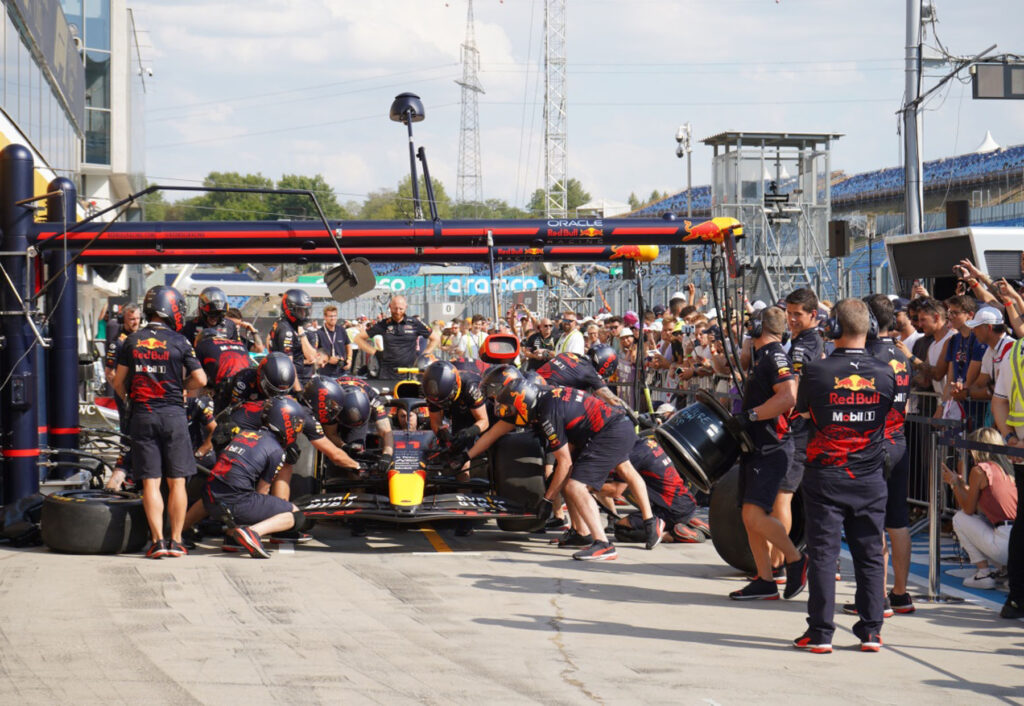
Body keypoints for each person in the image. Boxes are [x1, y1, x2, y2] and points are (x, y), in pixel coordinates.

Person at [792, 298, 895, 654]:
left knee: (823, 553)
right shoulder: (886, 373)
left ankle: (821, 634)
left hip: (826, 474)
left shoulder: (816, 371)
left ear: (833, 327)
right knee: (869, 553)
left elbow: (802, 413)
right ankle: (871, 631)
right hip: (869, 476)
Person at [460, 379, 662, 559]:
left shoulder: (547, 412)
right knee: (591, 476)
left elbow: (565, 463)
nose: (509, 415)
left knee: (575, 485)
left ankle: (603, 544)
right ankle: (590, 532)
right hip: (614, 425)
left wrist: (548, 499)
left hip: (610, 431)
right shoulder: (541, 396)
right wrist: (466, 456)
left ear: (522, 403)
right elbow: (495, 432)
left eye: (511, 410)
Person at [113, 285, 207, 559]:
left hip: (142, 415)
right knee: (177, 481)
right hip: (173, 416)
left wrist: (130, 397)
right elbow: (201, 380)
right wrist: (182, 388)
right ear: (173, 308)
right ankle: (176, 541)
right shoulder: (180, 341)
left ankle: (157, 542)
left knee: (150, 482)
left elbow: (118, 382)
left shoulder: (132, 340)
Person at [728, 307, 807, 601]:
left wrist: (751, 415)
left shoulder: (775, 356)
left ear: (759, 327)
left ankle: (795, 559)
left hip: (772, 447)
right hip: (757, 445)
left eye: (751, 324)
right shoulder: (764, 357)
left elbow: (789, 396)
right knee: (749, 517)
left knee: (753, 513)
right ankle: (764, 580)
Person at [846, 294, 915, 616]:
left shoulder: (867, 356)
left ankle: (876, 598)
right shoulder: (903, 356)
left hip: (871, 444)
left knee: (870, 522)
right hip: (898, 439)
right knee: (897, 520)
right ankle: (900, 593)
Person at [204, 397, 309, 559]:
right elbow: (262, 491)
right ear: (285, 422)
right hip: (235, 503)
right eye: (296, 425)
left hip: (210, 501)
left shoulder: (245, 433)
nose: (297, 429)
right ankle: (252, 533)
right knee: (296, 515)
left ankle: (233, 537)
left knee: (244, 495)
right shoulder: (276, 450)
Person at [775, 288, 825, 570]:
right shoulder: (796, 339)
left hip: (801, 429)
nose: (791, 319)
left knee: (783, 494)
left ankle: (781, 562)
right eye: (788, 313)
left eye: (797, 314)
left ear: (813, 315)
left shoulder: (807, 344)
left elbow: (793, 388)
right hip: (800, 427)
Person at [944, 427, 1018, 588]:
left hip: (1005, 542)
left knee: (959, 518)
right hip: (1018, 539)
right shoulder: (1011, 468)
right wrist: (961, 485)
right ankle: (1007, 571)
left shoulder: (980, 470)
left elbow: (968, 510)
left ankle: (983, 573)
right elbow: (985, 500)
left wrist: (954, 483)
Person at [600, 436, 702, 545]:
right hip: (686, 503)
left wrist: (586, 487)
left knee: (621, 530)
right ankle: (688, 522)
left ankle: (671, 535)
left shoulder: (633, 456)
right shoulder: (647, 443)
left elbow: (616, 490)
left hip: (670, 510)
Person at [353, 295, 439, 379]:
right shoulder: (383, 324)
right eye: (395, 308)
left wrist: (423, 356)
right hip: (387, 373)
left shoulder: (414, 323)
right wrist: (374, 352)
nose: (398, 312)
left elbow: (435, 338)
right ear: (390, 307)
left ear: (406, 307)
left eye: (401, 309)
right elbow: (358, 338)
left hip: (409, 372)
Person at [103, 302, 141, 490]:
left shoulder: (143, 338)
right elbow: (109, 372)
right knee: (127, 434)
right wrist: (123, 396)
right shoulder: (117, 342)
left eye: (137, 318)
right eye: (131, 319)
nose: (135, 322)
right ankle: (127, 473)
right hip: (125, 395)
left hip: (141, 395)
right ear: (124, 319)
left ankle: (137, 472)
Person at [536, 347, 624, 408]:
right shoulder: (590, 372)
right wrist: (631, 415)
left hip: (530, 385)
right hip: (544, 397)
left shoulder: (568, 354)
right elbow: (612, 399)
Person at [267, 288, 319, 388]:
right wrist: (298, 390)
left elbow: (312, 357)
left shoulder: (298, 327)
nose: (304, 314)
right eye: (300, 310)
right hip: (291, 382)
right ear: (289, 309)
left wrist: (302, 333)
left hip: (305, 379)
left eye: (305, 310)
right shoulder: (285, 329)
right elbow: (289, 365)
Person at [315, 305, 350, 377]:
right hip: (326, 373)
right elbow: (315, 353)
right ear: (325, 317)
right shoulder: (319, 333)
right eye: (330, 316)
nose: (333, 318)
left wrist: (349, 359)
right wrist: (328, 359)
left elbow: (348, 345)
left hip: (342, 372)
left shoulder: (341, 330)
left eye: (335, 316)